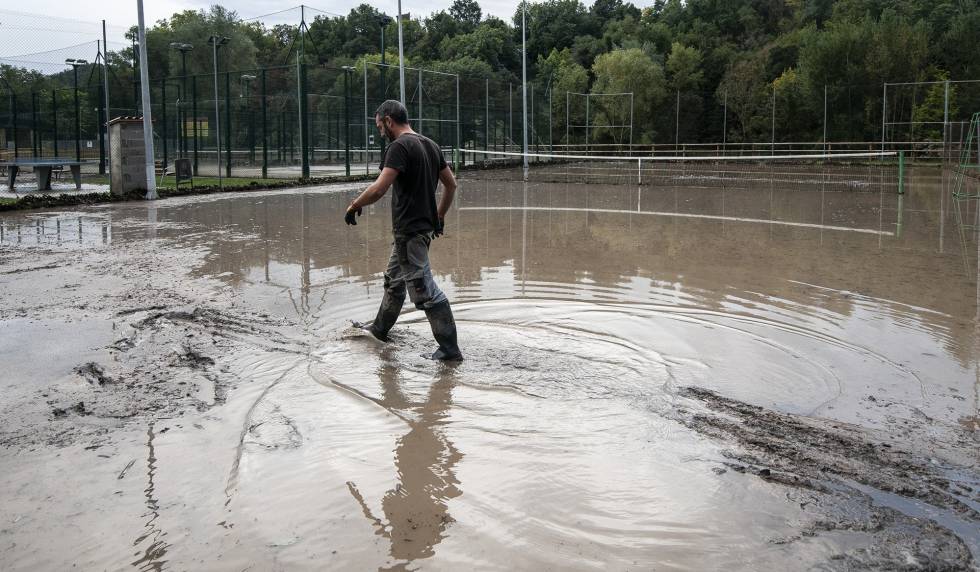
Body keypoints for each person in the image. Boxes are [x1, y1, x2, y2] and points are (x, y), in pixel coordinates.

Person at [345, 99, 462, 361]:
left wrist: (354, 205)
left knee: (424, 290)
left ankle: (450, 350)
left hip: (409, 231)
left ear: (388, 120)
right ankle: (379, 330)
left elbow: (379, 188)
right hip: (418, 230)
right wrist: (439, 216)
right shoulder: (429, 144)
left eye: (379, 126)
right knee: (395, 283)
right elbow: (451, 185)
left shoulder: (398, 147)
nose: (379, 132)